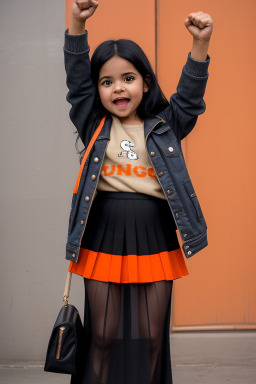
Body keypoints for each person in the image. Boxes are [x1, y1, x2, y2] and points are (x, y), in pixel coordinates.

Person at [63, 1, 213, 383]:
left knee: (150, 339)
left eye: (127, 78)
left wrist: (199, 46)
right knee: (103, 336)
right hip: (103, 231)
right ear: (97, 91)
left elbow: (190, 99)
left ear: (145, 82)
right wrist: (78, 24)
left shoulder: (165, 125)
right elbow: (77, 80)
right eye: (107, 82)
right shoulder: (93, 123)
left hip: (155, 232)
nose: (118, 88)